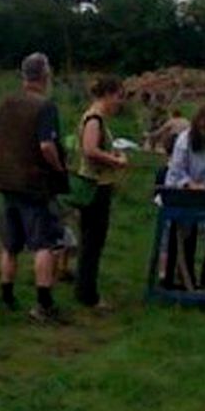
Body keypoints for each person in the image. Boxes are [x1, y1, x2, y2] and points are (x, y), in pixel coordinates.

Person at [0, 52, 70, 324]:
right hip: (35, 185)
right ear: (45, 76)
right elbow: (46, 146)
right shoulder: (45, 106)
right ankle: (43, 305)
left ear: (23, 75)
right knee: (43, 244)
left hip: (5, 182)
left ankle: (6, 297)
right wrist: (59, 168)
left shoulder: (6, 103)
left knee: (9, 245)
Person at [74, 76, 131, 308]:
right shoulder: (95, 119)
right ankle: (88, 295)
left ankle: (84, 289)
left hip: (96, 184)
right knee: (92, 242)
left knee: (90, 241)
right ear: (107, 94)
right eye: (118, 96)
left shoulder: (96, 118)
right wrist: (115, 160)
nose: (119, 102)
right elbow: (90, 150)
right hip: (95, 187)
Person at [163, 104, 205, 289]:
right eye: (203, 129)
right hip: (183, 191)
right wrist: (191, 185)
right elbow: (177, 170)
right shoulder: (184, 140)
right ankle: (182, 279)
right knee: (183, 236)